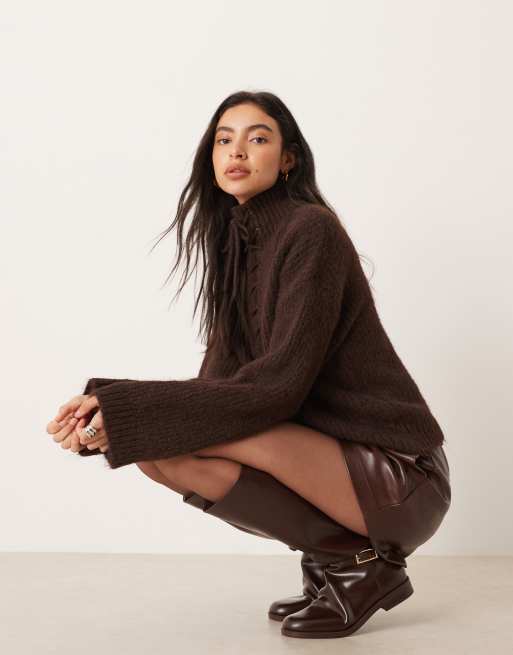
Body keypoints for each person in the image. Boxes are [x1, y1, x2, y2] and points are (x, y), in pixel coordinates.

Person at [46, 91, 451, 639]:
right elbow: (216, 391)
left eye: (257, 138)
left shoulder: (311, 230)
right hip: (336, 471)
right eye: (224, 140)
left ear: (288, 159)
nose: (236, 151)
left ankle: (360, 565)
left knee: (202, 429)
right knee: (157, 449)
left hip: (400, 479)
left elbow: (278, 389)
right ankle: (346, 562)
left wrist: (120, 404)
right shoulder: (234, 248)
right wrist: (106, 416)